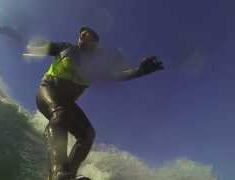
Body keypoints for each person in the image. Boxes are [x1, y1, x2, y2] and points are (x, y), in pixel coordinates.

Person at [32, 26, 164, 180]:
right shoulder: (65, 48)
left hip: (66, 103)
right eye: (81, 36)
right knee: (60, 113)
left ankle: (70, 175)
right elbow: (39, 48)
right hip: (48, 90)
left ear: (95, 44)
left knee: (87, 135)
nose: (83, 39)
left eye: (88, 38)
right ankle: (58, 173)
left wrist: (139, 71)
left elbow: (116, 76)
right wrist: (18, 38)